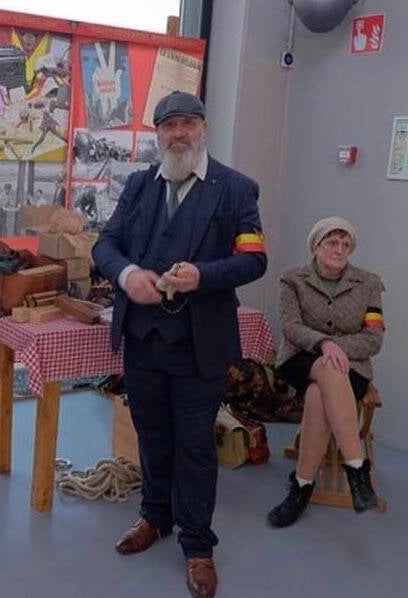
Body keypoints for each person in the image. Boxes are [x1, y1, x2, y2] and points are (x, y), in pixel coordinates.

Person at [92, 91, 267, 598]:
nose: (178, 134)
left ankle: (197, 546)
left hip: (198, 345)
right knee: (151, 434)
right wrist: (127, 275)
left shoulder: (236, 189)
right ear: (158, 134)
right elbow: (105, 245)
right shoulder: (139, 186)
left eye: (187, 124)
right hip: (143, 339)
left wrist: (202, 276)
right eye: (168, 126)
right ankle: (155, 516)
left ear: (203, 128)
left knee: (194, 445)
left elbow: (254, 260)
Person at [267, 217, 384, 527]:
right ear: (316, 246)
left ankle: (301, 486)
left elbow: (374, 338)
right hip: (301, 358)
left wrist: (336, 348)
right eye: (332, 242)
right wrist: (324, 343)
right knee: (327, 368)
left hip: (351, 367)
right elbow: (290, 327)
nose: (340, 249)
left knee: (319, 393)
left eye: (346, 244)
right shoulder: (292, 279)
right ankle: (357, 470)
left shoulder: (369, 283)